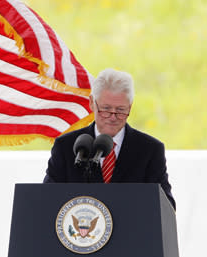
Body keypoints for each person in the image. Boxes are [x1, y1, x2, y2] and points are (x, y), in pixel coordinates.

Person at [43, 68, 176, 210]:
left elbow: (166, 206)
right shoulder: (66, 146)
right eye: (106, 109)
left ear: (130, 107)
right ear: (92, 103)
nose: (113, 117)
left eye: (120, 110)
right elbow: (46, 200)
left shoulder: (149, 150)